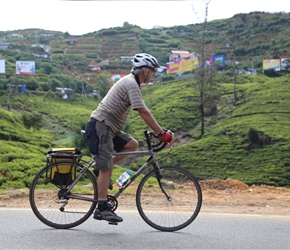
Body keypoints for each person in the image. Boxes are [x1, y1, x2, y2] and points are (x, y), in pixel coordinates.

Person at [85, 53, 173, 223]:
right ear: (145, 71)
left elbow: (142, 111)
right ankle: (102, 208)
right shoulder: (131, 83)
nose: (154, 74)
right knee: (107, 167)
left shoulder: (132, 83)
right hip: (101, 125)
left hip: (109, 127)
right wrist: (161, 133)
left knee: (132, 145)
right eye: (153, 71)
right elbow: (142, 111)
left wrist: (159, 131)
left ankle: (100, 168)